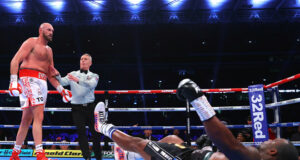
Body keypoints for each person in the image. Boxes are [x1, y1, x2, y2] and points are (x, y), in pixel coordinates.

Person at [93, 79, 299, 160]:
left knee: (139, 144)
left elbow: (228, 144)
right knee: (172, 141)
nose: (267, 141)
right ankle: (127, 157)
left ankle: (103, 126)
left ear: (273, 152)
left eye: (272, 142)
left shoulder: (254, 159)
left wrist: (199, 100)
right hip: (197, 156)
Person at [9, 23, 72, 160]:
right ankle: (40, 155)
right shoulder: (31, 42)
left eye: (52, 31)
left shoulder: (49, 51)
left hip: (42, 82)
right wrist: (13, 81)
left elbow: (51, 74)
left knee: (26, 119)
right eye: (49, 30)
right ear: (40, 30)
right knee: (39, 116)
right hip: (29, 79)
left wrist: (61, 90)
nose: (51, 32)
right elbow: (15, 60)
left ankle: (15, 153)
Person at [50, 53, 102, 160]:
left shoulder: (94, 75)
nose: (82, 61)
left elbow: (92, 84)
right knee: (81, 133)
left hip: (90, 107)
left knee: (96, 133)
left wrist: (77, 80)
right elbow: (63, 82)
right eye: (81, 59)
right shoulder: (73, 74)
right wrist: (58, 75)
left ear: (90, 63)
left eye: (85, 59)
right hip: (77, 108)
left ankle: (98, 157)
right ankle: (87, 157)